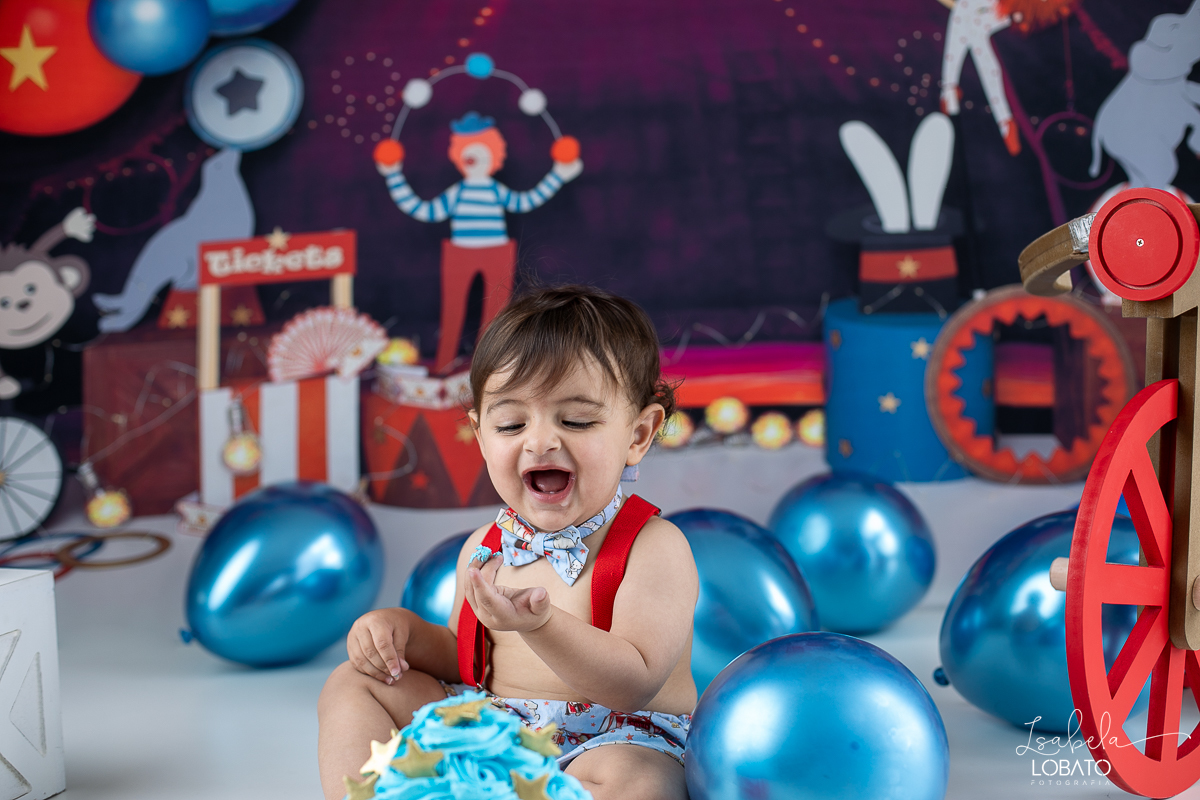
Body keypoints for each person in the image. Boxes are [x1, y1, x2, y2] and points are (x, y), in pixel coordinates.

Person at [318, 285, 697, 800]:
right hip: (498, 732)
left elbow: (634, 683)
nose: (539, 441)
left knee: (641, 780)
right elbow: (466, 660)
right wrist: (400, 632)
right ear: (480, 435)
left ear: (638, 435)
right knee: (352, 683)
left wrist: (541, 625)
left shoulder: (653, 547)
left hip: (615, 739)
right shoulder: (486, 546)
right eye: (512, 423)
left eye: (577, 420)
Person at [377, 113, 584, 371]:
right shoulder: (458, 192)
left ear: (494, 156)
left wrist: (559, 175)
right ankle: (443, 365)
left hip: (496, 253)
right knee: (452, 311)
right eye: (467, 151)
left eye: (480, 150)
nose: (473, 156)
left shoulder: (496, 190)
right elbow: (423, 210)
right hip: (459, 254)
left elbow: (527, 200)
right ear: (458, 156)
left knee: (496, 313)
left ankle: (487, 368)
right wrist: (393, 175)